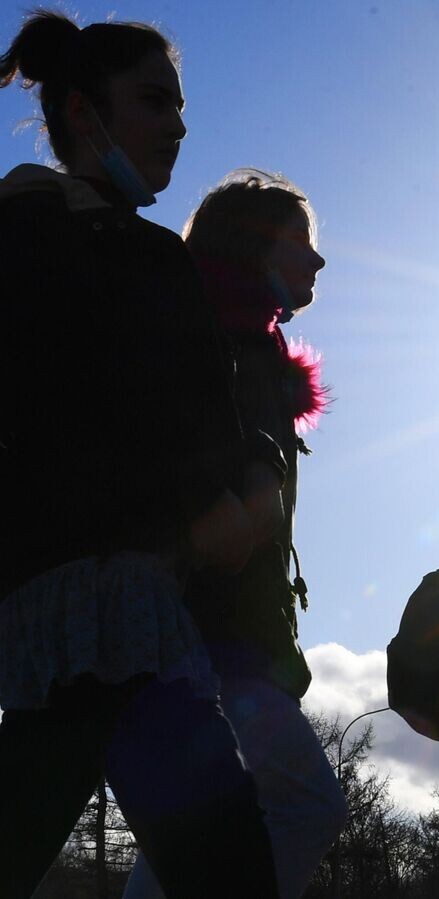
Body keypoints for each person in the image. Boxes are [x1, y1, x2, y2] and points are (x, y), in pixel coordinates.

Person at [0, 12, 280, 898]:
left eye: (181, 106)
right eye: (154, 101)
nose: (178, 125)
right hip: (120, 604)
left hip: (57, 612)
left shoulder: (29, 238)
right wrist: (238, 482)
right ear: (86, 113)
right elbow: (164, 412)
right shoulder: (136, 255)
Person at [123, 171, 343, 899]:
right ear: (252, 247)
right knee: (306, 801)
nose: (316, 262)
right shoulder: (215, 348)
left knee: (191, 830)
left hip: (217, 634)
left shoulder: (251, 354)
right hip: (213, 637)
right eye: (299, 244)